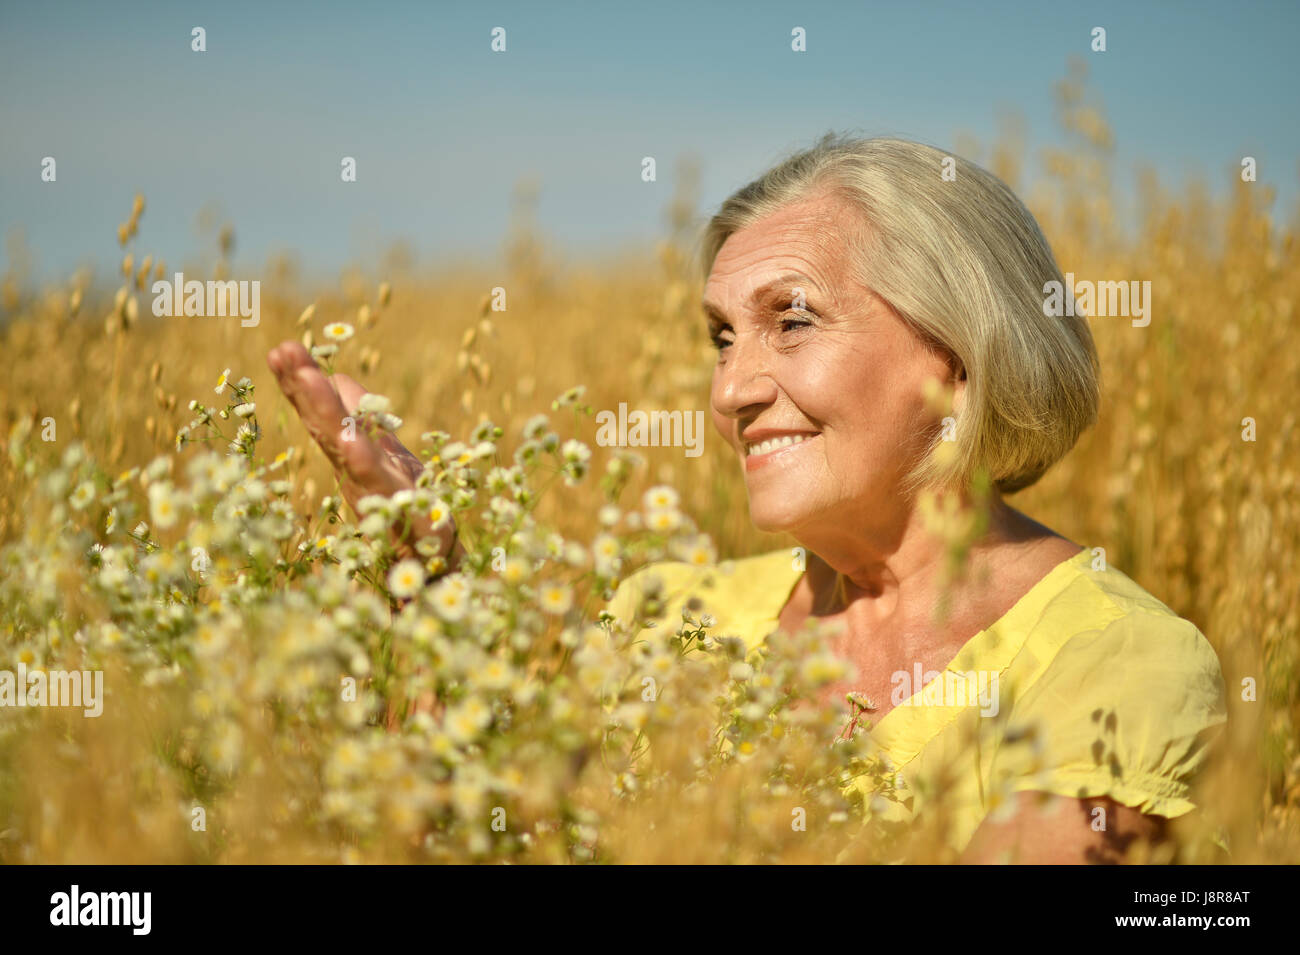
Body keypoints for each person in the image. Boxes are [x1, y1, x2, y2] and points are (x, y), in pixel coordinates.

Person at [268, 133, 1226, 863]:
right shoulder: (666, 614)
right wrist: (421, 570)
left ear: (959, 355)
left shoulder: (1124, 665)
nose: (730, 391)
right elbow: (449, 823)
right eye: (723, 337)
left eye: (791, 320)